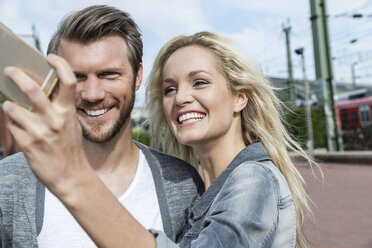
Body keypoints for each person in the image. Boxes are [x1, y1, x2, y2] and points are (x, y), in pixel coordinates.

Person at [2, 30, 313, 247]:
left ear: (240, 98)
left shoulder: (253, 181)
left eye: (200, 82)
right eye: (170, 89)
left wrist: (69, 177)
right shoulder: (201, 184)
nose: (181, 98)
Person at [0, 5, 203, 247]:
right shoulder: (8, 181)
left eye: (108, 74)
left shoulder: (182, 183)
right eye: (77, 77)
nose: (92, 94)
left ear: (138, 76)